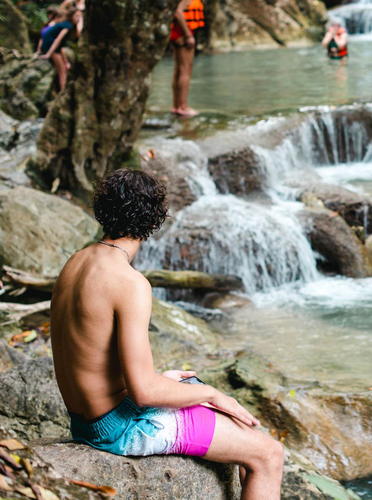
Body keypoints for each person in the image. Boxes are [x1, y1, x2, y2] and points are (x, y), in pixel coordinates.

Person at [50, 169, 284, 498]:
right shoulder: (129, 283)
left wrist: (169, 383)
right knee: (269, 455)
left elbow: (90, 355)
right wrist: (212, 395)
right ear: (153, 220)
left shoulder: (76, 262)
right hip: (120, 428)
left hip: (86, 422)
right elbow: (144, 392)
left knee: (222, 414)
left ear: (103, 209)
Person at [170, 0, 205, 118]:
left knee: (179, 69)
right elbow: (178, 12)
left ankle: (176, 105)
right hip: (182, 34)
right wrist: (188, 35)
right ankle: (183, 106)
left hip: (177, 33)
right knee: (185, 70)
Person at [38, 9, 79, 92]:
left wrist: (65, 61)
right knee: (62, 71)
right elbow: (57, 41)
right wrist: (49, 54)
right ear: (71, 16)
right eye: (77, 16)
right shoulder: (67, 25)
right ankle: (62, 92)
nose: (78, 19)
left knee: (63, 67)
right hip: (50, 45)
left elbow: (60, 47)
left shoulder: (65, 24)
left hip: (52, 46)